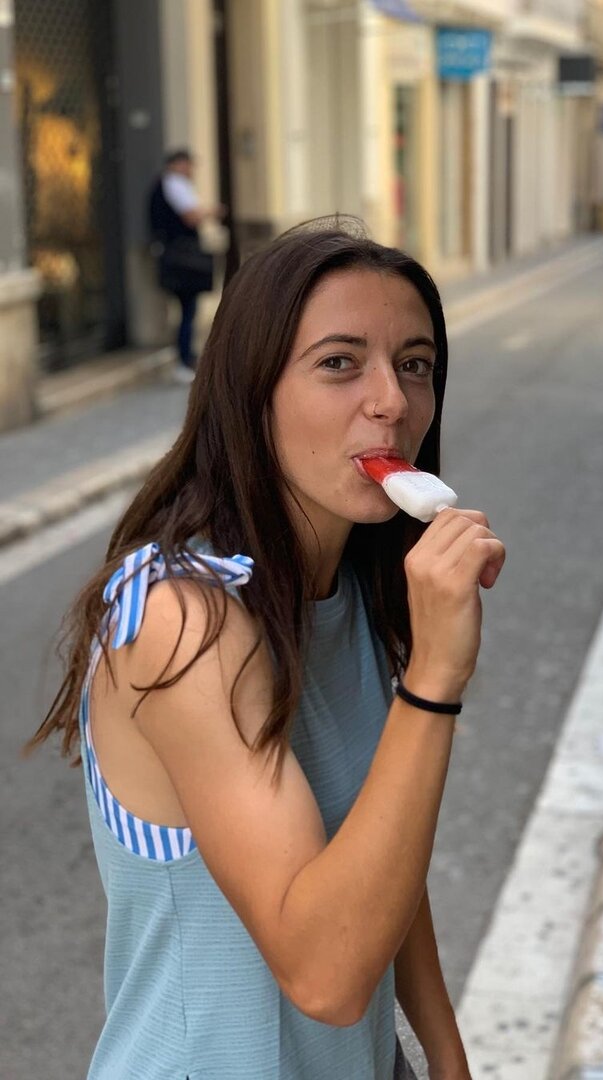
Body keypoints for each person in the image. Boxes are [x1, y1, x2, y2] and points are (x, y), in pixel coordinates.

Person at [29, 221, 506, 1079]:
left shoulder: (354, 586)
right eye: (339, 363)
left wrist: (445, 1056)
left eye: (415, 364)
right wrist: (435, 676)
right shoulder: (182, 618)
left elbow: (382, 849)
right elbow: (324, 975)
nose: (392, 401)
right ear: (252, 392)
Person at [149, 148, 225, 383]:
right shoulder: (173, 185)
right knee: (187, 310)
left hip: (176, 256)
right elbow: (191, 216)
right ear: (178, 164)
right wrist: (211, 212)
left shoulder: (168, 185)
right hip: (180, 257)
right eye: (188, 165)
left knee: (187, 310)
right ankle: (183, 360)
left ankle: (187, 358)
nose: (191, 170)